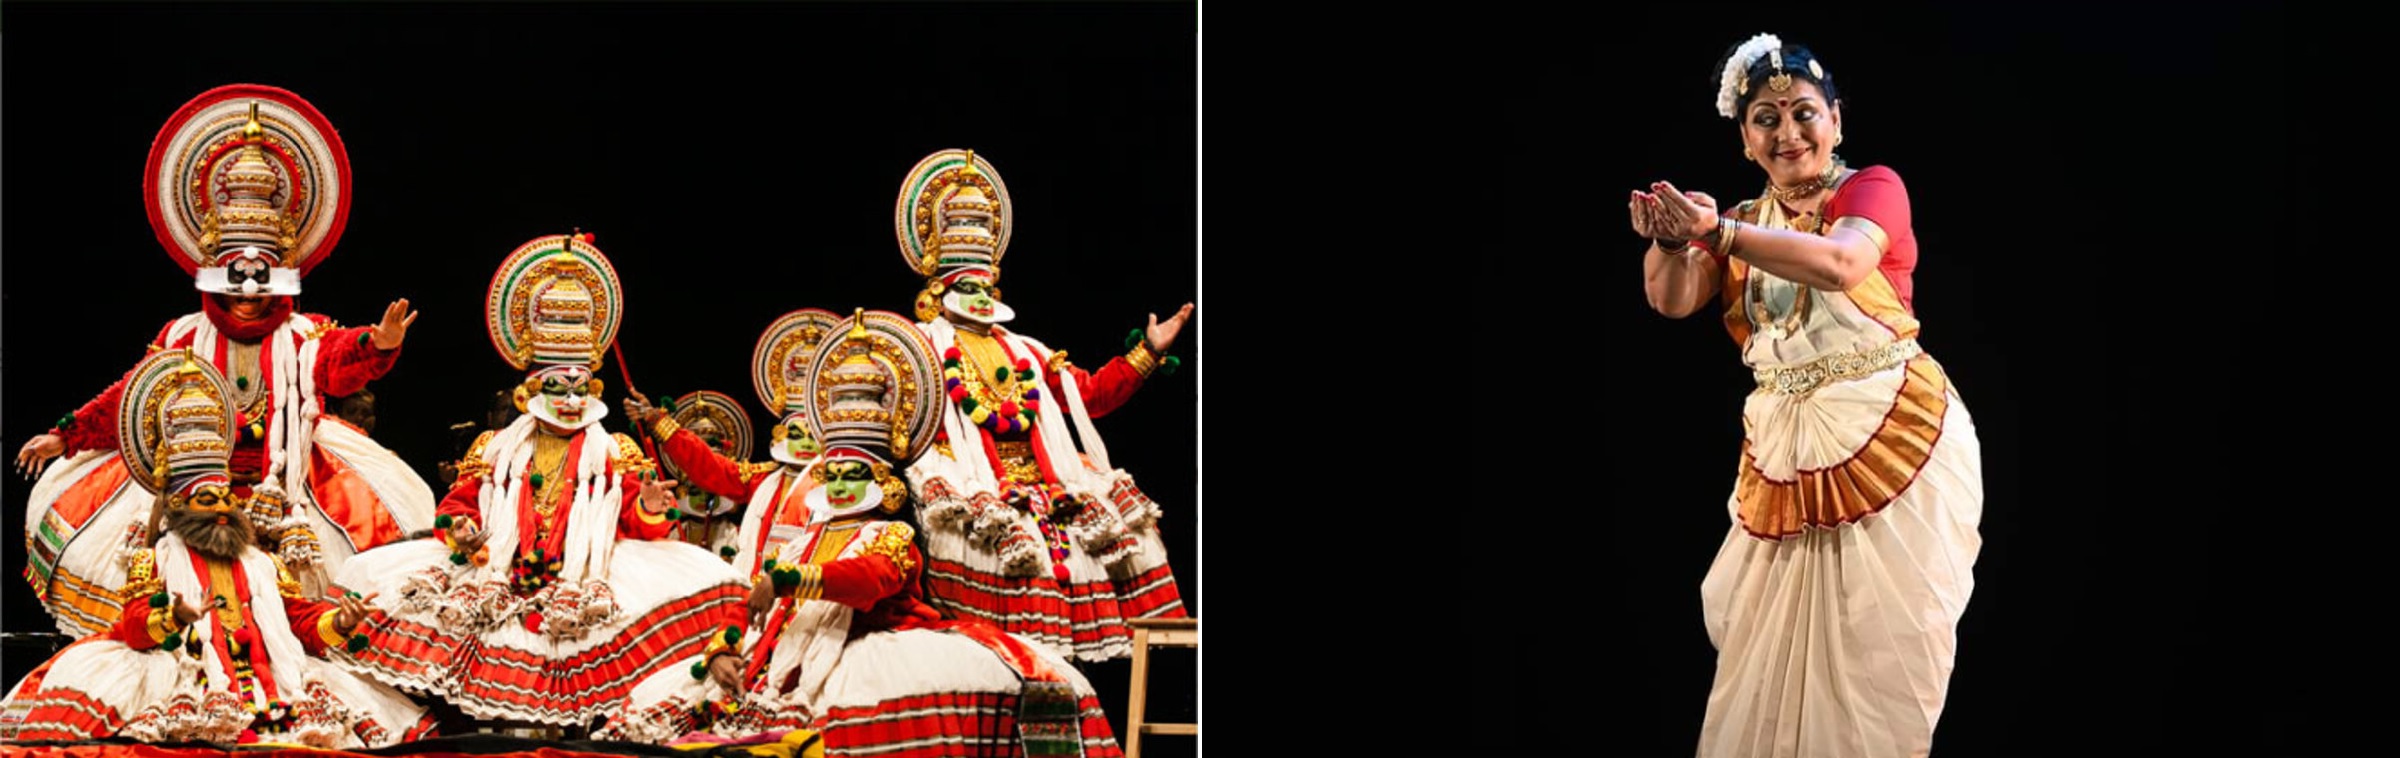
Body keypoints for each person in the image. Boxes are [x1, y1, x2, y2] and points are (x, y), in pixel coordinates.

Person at [1630, 34, 1985, 758]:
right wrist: (1673, 243)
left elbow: (1844, 262)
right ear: (1744, 140)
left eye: (1802, 113)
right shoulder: (1738, 222)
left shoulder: (1869, 187)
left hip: (1891, 442)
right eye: (1765, 117)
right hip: (1787, 456)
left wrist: (1718, 233)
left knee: (1874, 652)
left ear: (1837, 121)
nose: (1787, 132)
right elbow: (1672, 301)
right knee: (1766, 659)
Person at [598, 310, 1120, 758]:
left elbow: (868, 579)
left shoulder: (892, 535)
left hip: (861, 649)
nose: (844, 484)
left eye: (857, 474)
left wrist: (789, 580)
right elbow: (748, 599)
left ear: (886, 484)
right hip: (777, 652)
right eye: (836, 473)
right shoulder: (803, 532)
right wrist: (722, 649)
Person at [14, 84, 436, 636]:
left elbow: (333, 363)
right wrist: (65, 435)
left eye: (262, 279)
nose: (248, 292)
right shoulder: (184, 336)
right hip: (193, 484)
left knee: (299, 602)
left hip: (285, 482)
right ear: (214, 272)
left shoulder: (300, 333)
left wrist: (376, 345)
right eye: (235, 276)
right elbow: (133, 400)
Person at [327, 233, 750, 728]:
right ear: (530, 392)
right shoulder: (495, 447)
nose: (570, 399)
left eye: (578, 387)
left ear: (592, 388)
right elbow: (457, 508)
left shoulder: (615, 450)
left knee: (579, 696)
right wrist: (460, 532)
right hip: (499, 573)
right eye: (556, 386)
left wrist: (649, 508)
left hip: (583, 579)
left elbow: (639, 527)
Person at [0, 351, 432, 746]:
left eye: (227, 498)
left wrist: (339, 620)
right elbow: (132, 628)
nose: (225, 508)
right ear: (180, 507)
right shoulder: (155, 560)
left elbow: (299, 621)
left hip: (269, 687)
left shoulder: (262, 562)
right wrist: (175, 616)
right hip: (191, 676)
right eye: (210, 500)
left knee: (301, 734)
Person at [893, 149, 1191, 662]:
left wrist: (1148, 353)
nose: (981, 296)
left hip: (1048, 480)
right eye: (967, 286)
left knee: (1132, 536)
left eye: (986, 285)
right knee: (1018, 554)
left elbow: (1090, 397)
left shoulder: (1028, 351)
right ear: (936, 289)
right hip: (973, 484)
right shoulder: (916, 349)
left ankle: (1136, 682)